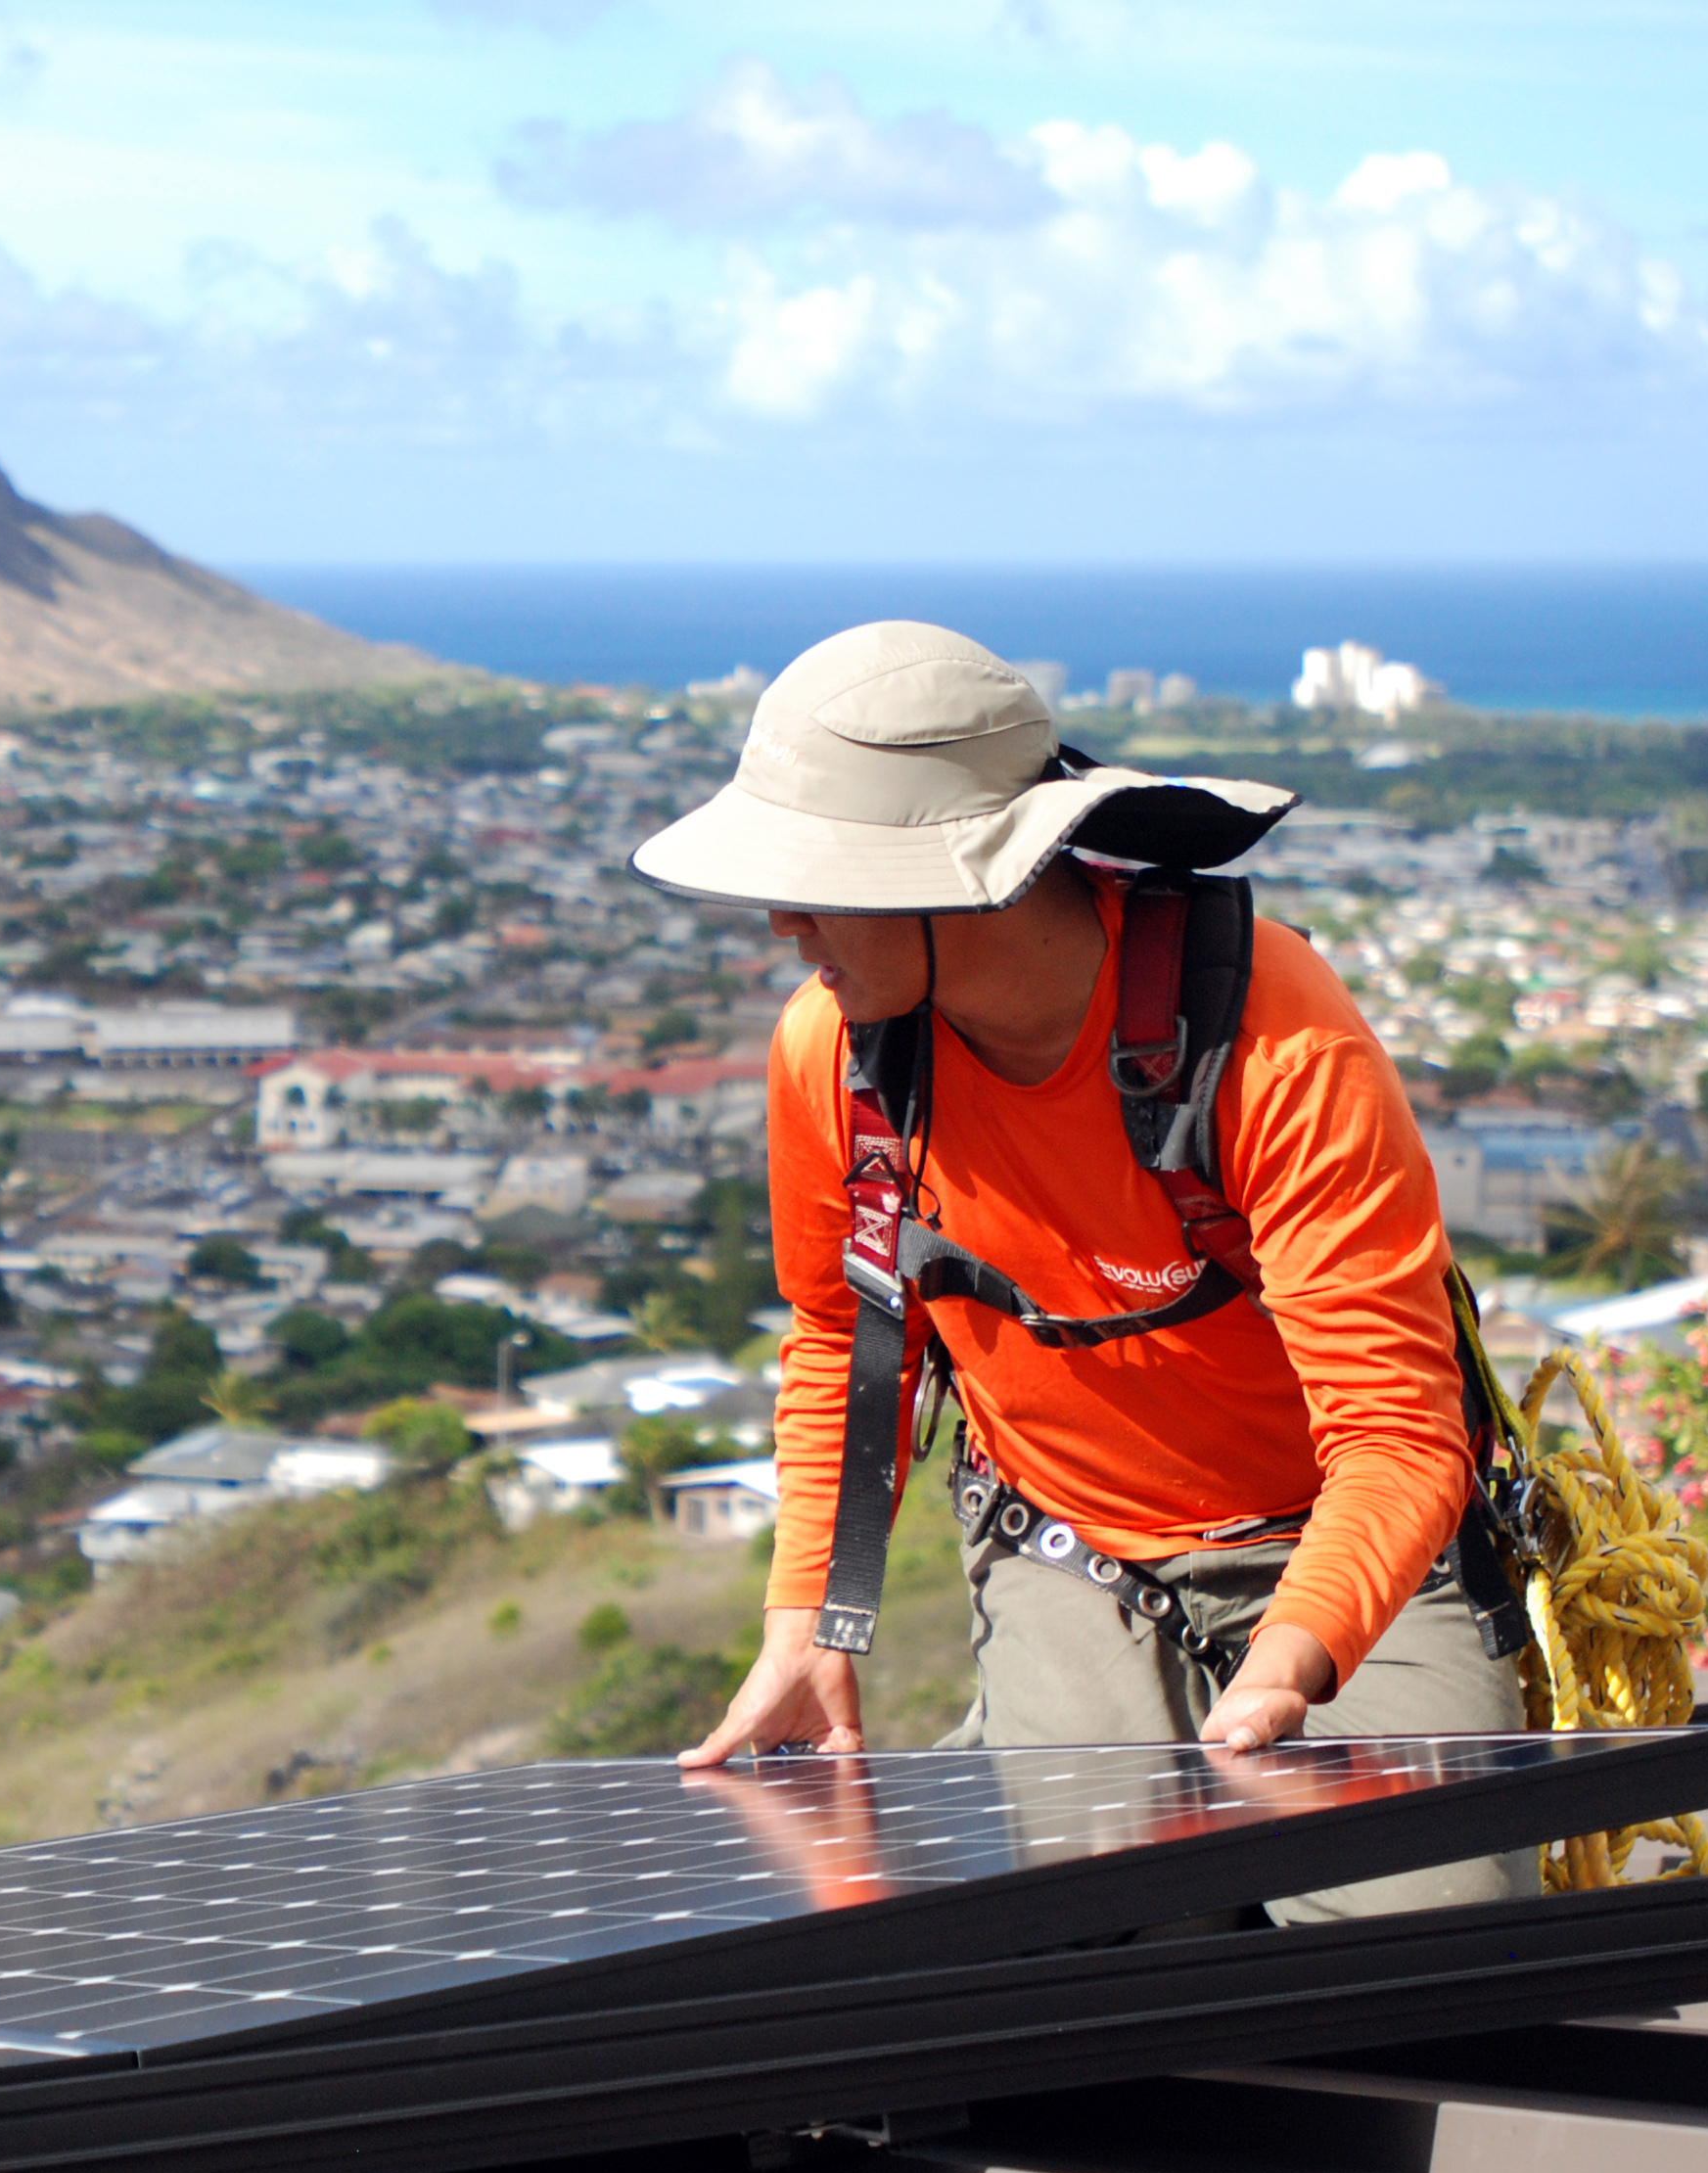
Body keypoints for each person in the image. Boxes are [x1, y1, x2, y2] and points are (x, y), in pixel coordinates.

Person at [631, 620, 1530, 1919]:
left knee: (1417, 1940)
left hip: (1332, 1546)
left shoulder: (1267, 1037)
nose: (782, 924)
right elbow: (841, 1340)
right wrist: (805, 1627)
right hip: (1067, 1543)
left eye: (816, 885)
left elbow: (1398, 1428)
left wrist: (1292, 1659)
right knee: (1087, 1950)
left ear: (956, 877)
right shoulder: (834, 1056)